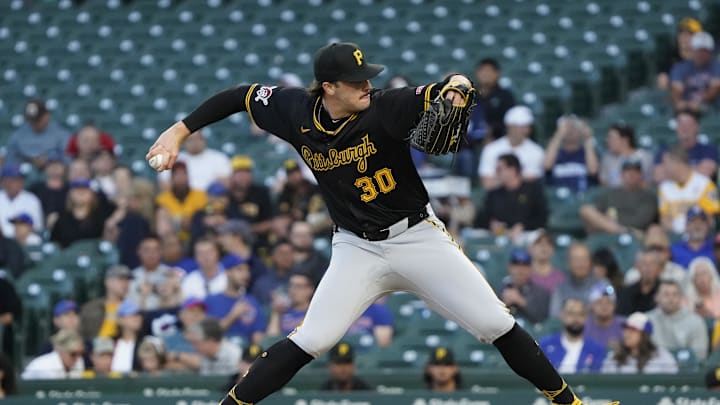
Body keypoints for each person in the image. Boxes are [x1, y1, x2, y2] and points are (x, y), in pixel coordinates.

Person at [147, 41, 616, 405]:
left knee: (495, 321)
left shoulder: (385, 107)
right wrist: (178, 130)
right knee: (314, 337)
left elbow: (436, 92)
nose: (366, 86)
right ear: (328, 87)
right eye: (355, 81)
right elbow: (239, 96)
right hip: (357, 247)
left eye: (366, 77)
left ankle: (570, 401)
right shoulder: (294, 111)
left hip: (415, 236)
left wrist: (453, 85)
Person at [580, 159, 657, 234]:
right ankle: (616, 230)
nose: (631, 174)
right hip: (609, 230)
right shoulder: (611, 193)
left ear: (641, 175)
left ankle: (616, 230)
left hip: (634, 233)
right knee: (586, 210)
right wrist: (610, 225)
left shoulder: (648, 196)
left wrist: (610, 220)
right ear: (621, 174)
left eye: (635, 171)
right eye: (627, 171)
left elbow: (641, 222)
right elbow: (596, 213)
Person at [482, 153, 547, 242]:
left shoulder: (532, 190)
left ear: (512, 170)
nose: (496, 173)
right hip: (500, 235)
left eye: (499, 169)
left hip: (526, 235)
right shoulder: (494, 194)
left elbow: (542, 218)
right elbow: (483, 218)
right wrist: (491, 224)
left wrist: (523, 226)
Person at [204, 254, 266, 344]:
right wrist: (232, 316)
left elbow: (258, 337)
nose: (246, 274)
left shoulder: (252, 301)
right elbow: (207, 335)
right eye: (240, 270)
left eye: (247, 270)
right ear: (227, 272)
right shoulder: (211, 300)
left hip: (247, 353)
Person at [479, 106, 544, 189]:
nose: (526, 131)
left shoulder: (537, 151)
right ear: (510, 127)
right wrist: (517, 178)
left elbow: (533, 180)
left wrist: (501, 179)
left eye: (527, 127)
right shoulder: (491, 149)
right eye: (521, 127)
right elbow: (487, 183)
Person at [658, 145, 719, 234]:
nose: (663, 168)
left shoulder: (704, 183)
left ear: (677, 163)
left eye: (665, 163)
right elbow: (665, 219)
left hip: (701, 236)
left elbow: (709, 217)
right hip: (676, 237)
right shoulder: (664, 187)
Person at [646, 280, 708, 361]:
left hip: (686, 370)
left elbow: (700, 355)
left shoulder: (696, 321)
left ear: (681, 298)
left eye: (675, 294)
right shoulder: (647, 320)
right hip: (653, 368)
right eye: (666, 294)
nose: (671, 299)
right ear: (656, 297)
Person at [539, 299, 606, 373]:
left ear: (586, 318)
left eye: (580, 314)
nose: (576, 319)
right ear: (562, 315)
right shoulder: (545, 345)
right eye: (571, 314)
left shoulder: (596, 349)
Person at [601, 312, 678, 374]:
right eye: (626, 329)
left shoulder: (662, 357)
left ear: (644, 335)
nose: (627, 334)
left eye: (633, 330)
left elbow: (673, 383)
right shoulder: (614, 357)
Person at [158, 130, 232, 192]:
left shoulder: (218, 157)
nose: (195, 143)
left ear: (204, 140)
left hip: (210, 200)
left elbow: (227, 182)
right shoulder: (174, 158)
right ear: (183, 142)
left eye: (197, 139)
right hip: (182, 201)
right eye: (191, 140)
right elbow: (164, 184)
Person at [50, 178, 115, 248]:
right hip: (68, 257)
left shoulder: (102, 215)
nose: (80, 193)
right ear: (70, 194)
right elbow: (55, 244)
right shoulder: (62, 218)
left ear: (92, 194)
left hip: (96, 257)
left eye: (84, 190)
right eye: (77, 190)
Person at [4, 99, 71, 168]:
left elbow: (68, 160)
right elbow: (10, 161)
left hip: (53, 173)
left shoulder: (60, 134)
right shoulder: (18, 135)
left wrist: (50, 158)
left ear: (47, 116)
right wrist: (28, 160)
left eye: (38, 120)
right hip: (23, 175)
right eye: (31, 120)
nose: (34, 123)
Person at [656, 110, 718, 182]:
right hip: (672, 192)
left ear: (697, 126)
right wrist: (696, 169)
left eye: (688, 124)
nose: (684, 127)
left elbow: (706, 173)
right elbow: (659, 176)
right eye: (680, 123)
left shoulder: (709, 149)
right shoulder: (665, 151)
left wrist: (672, 171)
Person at [543, 115, 599, 193]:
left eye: (574, 127)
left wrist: (587, 138)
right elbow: (546, 165)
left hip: (582, 198)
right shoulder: (555, 154)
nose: (570, 131)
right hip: (558, 200)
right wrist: (559, 135)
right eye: (567, 128)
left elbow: (593, 170)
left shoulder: (587, 152)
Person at [155, 161, 208, 241]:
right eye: (177, 175)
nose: (181, 178)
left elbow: (205, 217)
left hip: (196, 237)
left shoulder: (201, 196)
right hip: (173, 238)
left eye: (183, 174)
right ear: (171, 178)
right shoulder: (162, 199)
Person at [623, 225, 688, 288]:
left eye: (660, 250)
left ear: (668, 253)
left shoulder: (679, 273)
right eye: (652, 249)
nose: (656, 254)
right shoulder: (633, 275)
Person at [670, 31, 720, 112]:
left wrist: (699, 102)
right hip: (687, 108)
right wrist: (679, 102)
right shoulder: (681, 67)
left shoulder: (717, 66)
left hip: (712, 108)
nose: (701, 54)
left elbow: (715, 88)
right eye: (698, 50)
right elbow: (677, 88)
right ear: (693, 50)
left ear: (711, 52)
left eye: (705, 51)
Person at [226, 155, 274, 240]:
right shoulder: (225, 194)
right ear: (232, 175)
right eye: (239, 172)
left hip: (256, 237)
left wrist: (248, 229)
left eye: (246, 172)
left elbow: (270, 222)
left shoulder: (261, 193)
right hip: (229, 236)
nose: (242, 176)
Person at [173, 318, 242, 376]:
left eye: (196, 342)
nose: (194, 347)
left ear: (211, 340)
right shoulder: (205, 356)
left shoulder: (235, 354)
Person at [79, 265, 132, 339]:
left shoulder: (132, 308)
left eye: (128, 280)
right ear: (107, 282)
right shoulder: (91, 307)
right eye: (121, 279)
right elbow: (83, 333)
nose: (126, 283)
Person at [549, 243, 600, 318]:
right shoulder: (560, 288)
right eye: (576, 259)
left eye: (584, 259)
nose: (581, 264)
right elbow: (554, 316)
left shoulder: (602, 285)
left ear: (590, 262)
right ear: (568, 263)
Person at [216, 220, 268, 291]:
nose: (220, 240)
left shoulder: (258, 266)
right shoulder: (222, 262)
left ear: (237, 238)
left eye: (224, 236)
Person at [501, 249, 550, 324]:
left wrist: (521, 301)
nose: (520, 270)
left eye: (525, 265)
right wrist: (503, 305)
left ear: (531, 268)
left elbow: (543, 320)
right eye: (516, 265)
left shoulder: (541, 292)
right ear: (509, 267)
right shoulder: (500, 290)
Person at [127, 235, 176, 311]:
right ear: (139, 252)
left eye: (155, 250)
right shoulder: (131, 276)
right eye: (147, 250)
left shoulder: (170, 274)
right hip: (138, 317)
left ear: (161, 252)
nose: (151, 254)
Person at [474, 58, 516, 140]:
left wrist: (492, 129)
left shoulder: (505, 96)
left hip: (499, 139)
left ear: (497, 74)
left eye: (490, 71)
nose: (486, 74)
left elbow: (511, 120)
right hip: (470, 142)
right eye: (483, 71)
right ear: (477, 73)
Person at [599, 123, 653, 187]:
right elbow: (604, 184)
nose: (607, 141)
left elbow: (650, 183)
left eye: (611, 138)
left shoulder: (644, 157)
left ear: (625, 140)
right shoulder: (607, 159)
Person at [656, 17, 703, 90]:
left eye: (689, 34)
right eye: (681, 33)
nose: (684, 37)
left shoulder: (705, 57)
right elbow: (662, 85)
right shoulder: (669, 57)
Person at [266, 271, 316, 337]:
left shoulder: (314, 313)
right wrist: (276, 313)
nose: (293, 290)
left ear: (310, 289)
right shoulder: (282, 311)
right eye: (291, 285)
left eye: (298, 286)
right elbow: (271, 339)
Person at [0, 164, 44, 238]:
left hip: (26, 240)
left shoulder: (32, 199)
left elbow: (37, 228)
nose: (16, 183)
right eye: (11, 180)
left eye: (18, 179)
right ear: (3, 182)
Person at [251, 239, 296, 306]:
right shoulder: (261, 283)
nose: (286, 257)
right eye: (282, 253)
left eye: (289, 253)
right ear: (273, 256)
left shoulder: (301, 280)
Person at [616, 250, 662, 315]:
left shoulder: (666, 291)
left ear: (659, 267)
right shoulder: (627, 293)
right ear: (637, 266)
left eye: (652, 264)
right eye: (644, 264)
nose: (648, 268)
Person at [28, 158, 68, 229]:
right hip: (38, 227)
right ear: (46, 169)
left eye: (58, 165)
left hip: (65, 227)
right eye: (51, 165)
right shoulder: (35, 188)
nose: (54, 168)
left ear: (64, 168)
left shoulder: (69, 189)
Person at [584, 283, 625, 351]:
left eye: (609, 302)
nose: (604, 306)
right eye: (599, 302)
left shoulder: (624, 325)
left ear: (614, 305)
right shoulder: (583, 327)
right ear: (592, 305)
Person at [110, 300, 144, 373]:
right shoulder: (110, 342)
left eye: (139, 315)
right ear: (120, 319)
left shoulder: (145, 342)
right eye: (132, 314)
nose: (137, 318)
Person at [528, 230, 567, 294]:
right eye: (538, 242)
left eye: (548, 243)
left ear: (553, 249)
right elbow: (505, 303)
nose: (544, 246)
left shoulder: (561, 279)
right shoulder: (522, 276)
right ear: (529, 248)